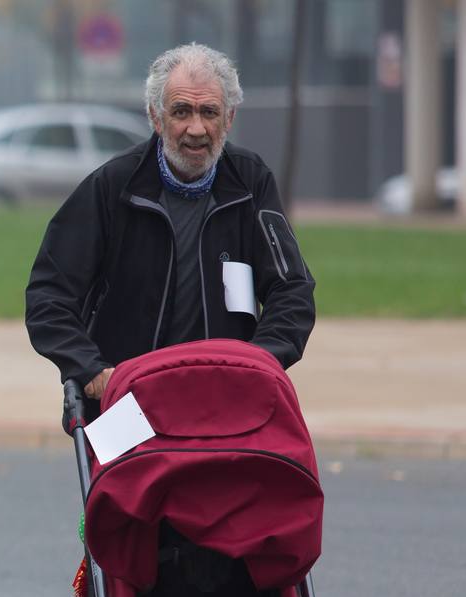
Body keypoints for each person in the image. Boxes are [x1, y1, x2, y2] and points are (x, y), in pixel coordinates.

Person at [25, 42, 315, 401]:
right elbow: (49, 296)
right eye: (181, 111)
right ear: (156, 117)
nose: (196, 128)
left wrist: (260, 363)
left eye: (209, 112)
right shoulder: (112, 186)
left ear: (229, 118)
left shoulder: (251, 182)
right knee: (127, 459)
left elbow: (292, 290)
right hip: (129, 399)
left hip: (225, 398)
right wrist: (91, 370)